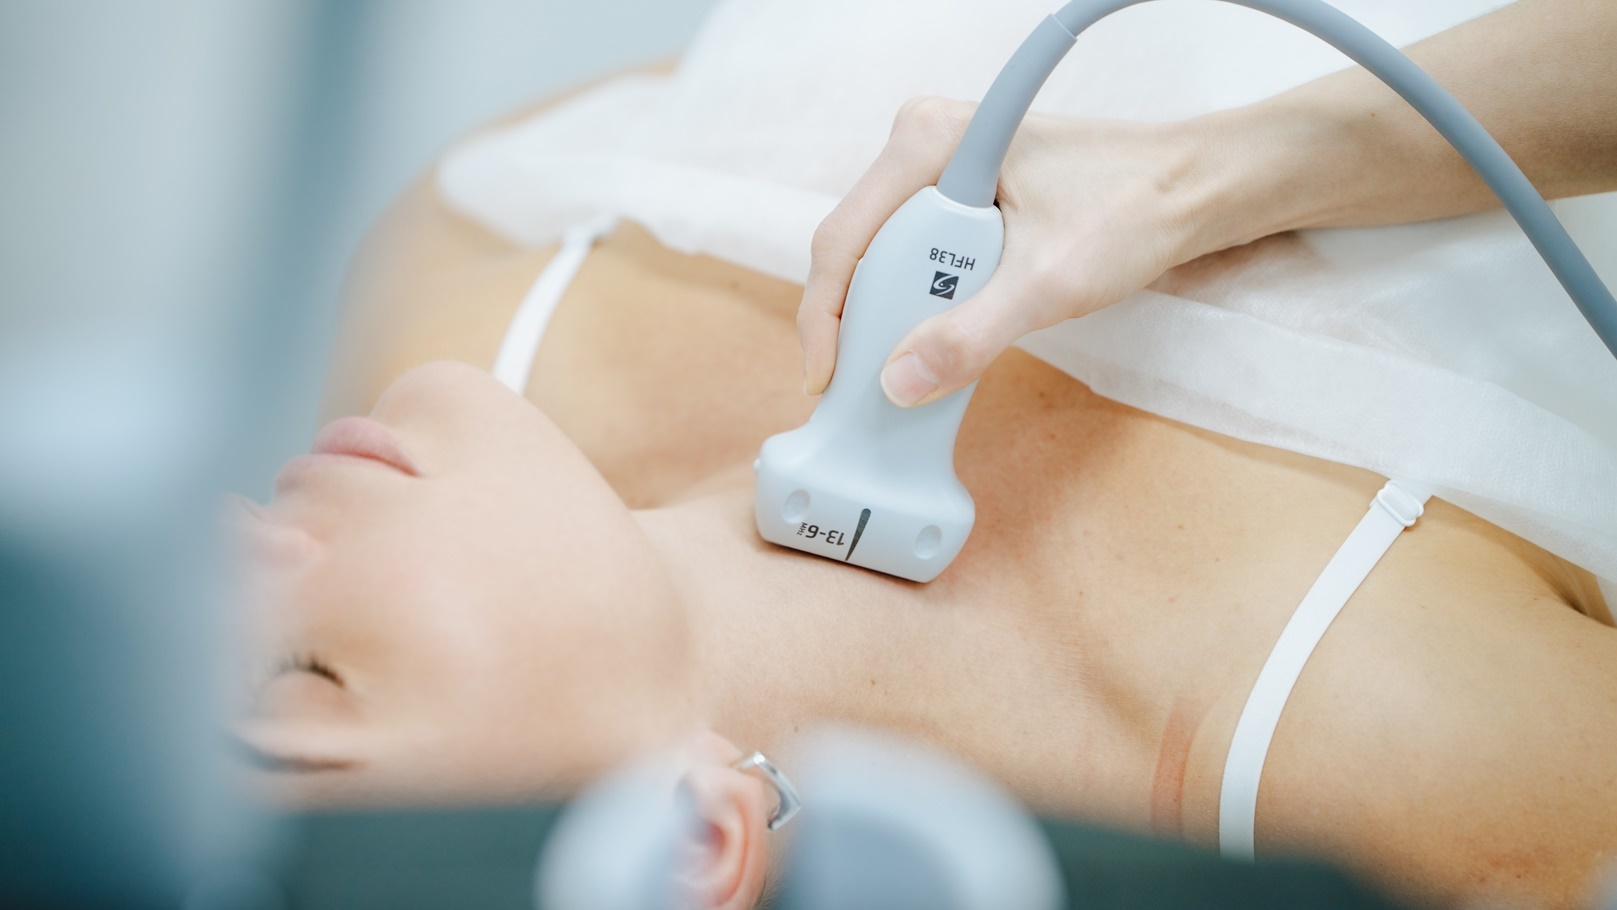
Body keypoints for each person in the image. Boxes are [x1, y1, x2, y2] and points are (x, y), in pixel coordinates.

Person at [233, 0, 1617, 907]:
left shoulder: (460, 286)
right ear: (692, 843)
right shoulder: (1400, 770)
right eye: (302, 674)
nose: (240, 541)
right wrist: (1233, 168)